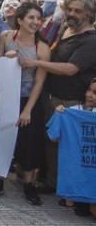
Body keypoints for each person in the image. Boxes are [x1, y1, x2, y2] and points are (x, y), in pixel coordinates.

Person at [16, 0, 96, 195]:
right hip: (52, 96)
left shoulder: (91, 40)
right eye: (69, 9)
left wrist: (35, 62)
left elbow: (71, 69)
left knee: (66, 147)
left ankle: (65, 189)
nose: (72, 14)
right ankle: (51, 182)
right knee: (50, 142)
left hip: (71, 100)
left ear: (89, 14)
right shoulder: (66, 29)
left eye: (78, 11)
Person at [0, 2, 49, 206]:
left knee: (30, 143)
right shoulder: (6, 37)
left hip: (29, 100)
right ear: (20, 20)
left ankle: (29, 185)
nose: (36, 22)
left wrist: (27, 110)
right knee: (2, 140)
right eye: (31, 18)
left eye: (38, 18)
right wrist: (3, 58)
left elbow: (39, 82)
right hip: (5, 97)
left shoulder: (42, 48)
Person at [49, 78, 96, 218]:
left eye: (95, 92)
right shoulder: (72, 112)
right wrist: (58, 115)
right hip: (79, 183)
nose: (89, 94)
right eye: (89, 90)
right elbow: (53, 137)